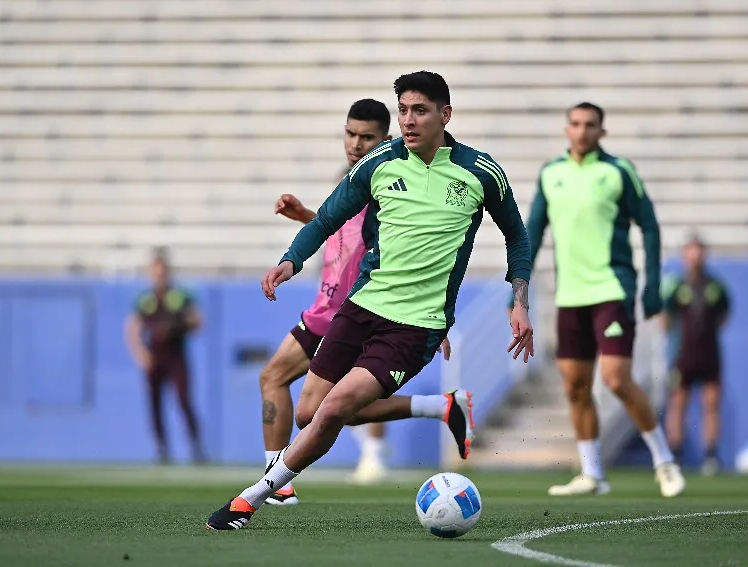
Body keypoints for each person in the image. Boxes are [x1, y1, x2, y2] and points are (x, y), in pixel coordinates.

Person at [206, 70, 534, 530]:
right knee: (306, 412)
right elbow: (326, 219)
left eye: (419, 110)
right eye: (402, 110)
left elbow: (517, 239)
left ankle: (250, 500)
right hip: (360, 308)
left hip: (415, 325)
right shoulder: (380, 161)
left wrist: (519, 301)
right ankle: (444, 406)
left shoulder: (480, 172)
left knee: (336, 408)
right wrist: (290, 261)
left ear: (446, 114)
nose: (408, 120)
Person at [259, 99, 456, 505]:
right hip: (324, 310)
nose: (355, 144)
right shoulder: (351, 179)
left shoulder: (391, 181)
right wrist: (306, 217)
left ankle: (369, 454)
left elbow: (399, 247)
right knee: (283, 385)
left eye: (367, 137)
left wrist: (428, 315)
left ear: (386, 138)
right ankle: (277, 480)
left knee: (327, 404)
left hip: (359, 311)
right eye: (350, 134)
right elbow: (344, 230)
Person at [523, 102, 685, 497]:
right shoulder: (551, 174)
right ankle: (592, 474)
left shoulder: (618, 172)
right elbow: (531, 235)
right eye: (575, 124)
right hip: (570, 296)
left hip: (612, 290)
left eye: (590, 125)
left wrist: (650, 286)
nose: (582, 131)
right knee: (576, 387)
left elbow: (648, 225)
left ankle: (664, 462)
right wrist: (519, 291)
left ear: (602, 131)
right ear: (567, 129)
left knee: (615, 379)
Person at [124, 249, 205, 464]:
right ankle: (162, 449)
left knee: (183, 400)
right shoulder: (146, 299)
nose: (159, 277)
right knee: (154, 403)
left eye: (162, 273)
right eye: (155, 273)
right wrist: (141, 353)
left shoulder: (179, 297)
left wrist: (178, 326)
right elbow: (133, 327)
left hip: (175, 355)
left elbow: (197, 322)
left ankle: (195, 446)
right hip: (155, 356)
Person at [661, 233, 731, 476]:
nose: (696, 257)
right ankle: (676, 454)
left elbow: (724, 315)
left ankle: (710, 456)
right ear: (684, 255)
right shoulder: (675, 285)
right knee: (678, 403)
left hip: (710, 355)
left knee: (711, 403)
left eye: (699, 251)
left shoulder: (716, 286)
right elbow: (664, 317)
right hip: (683, 356)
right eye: (691, 251)